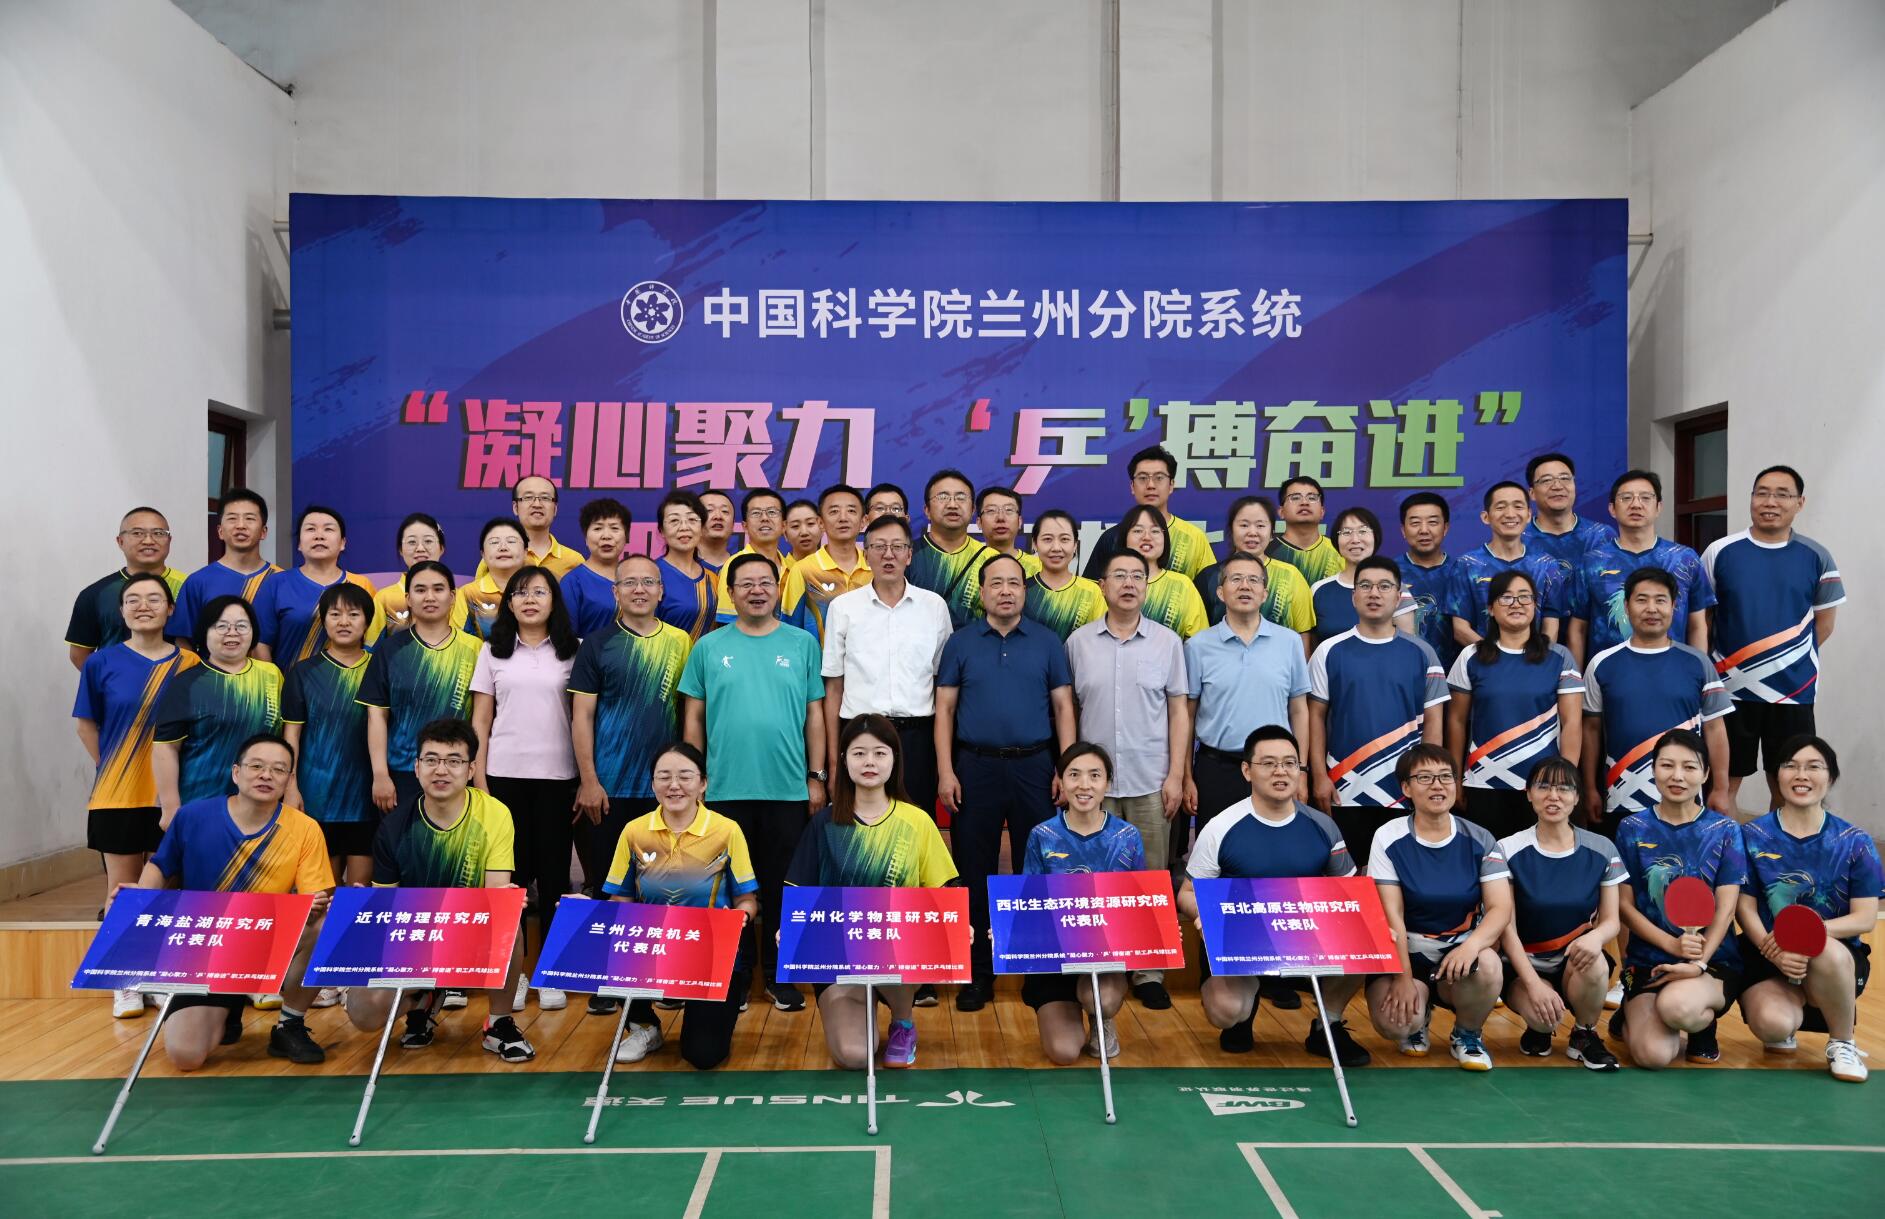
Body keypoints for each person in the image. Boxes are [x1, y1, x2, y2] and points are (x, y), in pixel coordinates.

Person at [119, 733, 335, 1067]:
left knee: (325, 923)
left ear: (289, 779)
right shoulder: (193, 817)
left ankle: (289, 1024)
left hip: (267, 943)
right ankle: (227, 1006)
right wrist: (139, 899)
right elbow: (160, 867)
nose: (266, 775)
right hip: (206, 949)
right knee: (185, 1055)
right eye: (256, 766)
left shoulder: (305, 829)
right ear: (236, 772)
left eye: (278, 769)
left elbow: (314, 896)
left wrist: (312, 907)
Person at [680, 552, 826, 1013]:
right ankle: (736, 977)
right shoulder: (708, 647)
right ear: (731, 592)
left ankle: (781, 977)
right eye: (745, 583)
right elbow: (694, 717)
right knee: (729, 889)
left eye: (765, 582)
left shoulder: (802, 643)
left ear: (778, 589)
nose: (756, 590)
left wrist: (816, 775)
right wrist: (694, 779)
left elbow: (815, 715)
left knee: (784, 887)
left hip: (788, 789)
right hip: (724, 791)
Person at [342, 717, 535, 1062]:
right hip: (414, 936)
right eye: (431, 760)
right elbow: (387, 908)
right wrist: (366, 907)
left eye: (454, 761)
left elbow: (495, 893)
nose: (441, 770)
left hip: (471, 928)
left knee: (509, 918)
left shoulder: (495, 814)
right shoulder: (393, 827)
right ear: (416, 767)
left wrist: (501, 901)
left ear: (471, 769)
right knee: (364, 1012)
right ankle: (422, 1000)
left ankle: (498, 1023)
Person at [935, 552, 1075, 1011]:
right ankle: (979, 973)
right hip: (975, 767)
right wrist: (946, 770)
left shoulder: (1047, 641)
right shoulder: (960, 642)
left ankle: (1038, 972)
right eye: (996, 583)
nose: (1006, 591)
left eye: (1014, 582)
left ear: (1025, 590)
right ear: (981, 592)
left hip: (1036, 767)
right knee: (974, 871)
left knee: (1037, 870)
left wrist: (1066, 767)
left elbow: (1063, 708)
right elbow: (945, 711)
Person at [1180, 726, 1370, 1063]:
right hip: (1240, 945)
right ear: (1247, 770)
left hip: (1302, 940)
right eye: (1268, 763)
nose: (1280, 771)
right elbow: (1186, 893)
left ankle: (1327, 1025)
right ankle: (1245, 1008)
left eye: (1289, 763)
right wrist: (1205, 917)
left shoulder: (1323, 826)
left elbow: (1352, 894)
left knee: (1365, 939)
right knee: (1226, 1010)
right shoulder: (1221, 827)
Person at [786, 716, 958, 1069]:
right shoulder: (824, 825)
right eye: (859, 753)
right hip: (838, 960)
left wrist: (959, 926)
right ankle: (860, 1008)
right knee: (854, 1056)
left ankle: (902, 1022)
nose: (869, 762)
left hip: (899, 956)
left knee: (898, 946)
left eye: (880, 753)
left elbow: (944, 891)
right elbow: (798, 893)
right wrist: (788, 929)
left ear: (894, 759)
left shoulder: (917, 821)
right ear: (844, 760)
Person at [74, 572, 202, 1015]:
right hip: (118, 795)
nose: (143, 606)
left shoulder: (190, 664)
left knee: (167, 889)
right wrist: (111, 765)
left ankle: (160, 974)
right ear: (122, 611)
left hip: (176, 796)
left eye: (154, 599)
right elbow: (86, 724)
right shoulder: (101, 663)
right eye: (133, 600)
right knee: (122, 891)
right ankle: (124, 979)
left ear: (170, 609)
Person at [1066, 549, 1189, 1009]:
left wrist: (1176, 774)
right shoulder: (1078, 642)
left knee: (1150, 877)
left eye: (1138, 575)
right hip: (1089, 787)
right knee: (1091, 876)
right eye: (1119, 575)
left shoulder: (1167, 642)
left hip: (1150, 779)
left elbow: (1179, 711)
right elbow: (1068, 709)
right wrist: (1069, 771)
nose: (1129, 583)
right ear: (1101, 585)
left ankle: (1148, 970)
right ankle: (1097, 958)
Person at [570, 554, 693, 1012]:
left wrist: (689, 781)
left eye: (648, 582)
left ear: (661, 591)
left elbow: (689, 713)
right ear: (615, 592)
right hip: (609, 788)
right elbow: (581, 716)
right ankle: (609, 982)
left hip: (666, 792)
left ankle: (666, 977)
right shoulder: (597, 644)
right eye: (630, 583)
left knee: (667, 887)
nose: (639, 590)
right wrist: (589, 779)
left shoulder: (680, 642)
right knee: (611, 886)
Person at [602, 741, 760, 1068]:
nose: (674, 785)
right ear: (653, 784)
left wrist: (740, 918)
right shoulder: (634, 832)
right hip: (654, 948)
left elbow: (747, 899)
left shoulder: (726, 831)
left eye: (685, 776)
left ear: (703, 784)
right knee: (609, 939)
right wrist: (583, 914)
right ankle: (644, 1025)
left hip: (711, 952)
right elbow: (621, 899)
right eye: (664, 777)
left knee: (703, 1055)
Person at [1735, 736, 1878, 1083]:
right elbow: (1744, 907)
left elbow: (1865, 918)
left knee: (1826, 950)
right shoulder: (1750, 835)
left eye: (1814, 767)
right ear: (1777, 776)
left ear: (1830, 777)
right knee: (1772, 1025)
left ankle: (1842, 1042)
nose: (1802, 775)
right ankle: (1787, 1017)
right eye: (1791, 766)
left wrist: (1805, 935)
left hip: (1833, 957)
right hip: (1768, 952)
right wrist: (1773, 948)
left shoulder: (1855, 841)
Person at [1702, 465, 1845, 811]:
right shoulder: (1720, 551)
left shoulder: (1817, 556)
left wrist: (1784, 662)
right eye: (1762, 493)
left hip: (1793, 692)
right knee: (1722, 787)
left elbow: (1825, 623)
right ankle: (1725, 847)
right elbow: (1703, 620)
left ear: (1799, 503)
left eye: (1782, 494)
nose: (1770, 502)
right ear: (1751, 498)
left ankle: (1777, 848)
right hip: (1730, 690)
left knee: (1788, 786)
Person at [470, 565, 581, 1011]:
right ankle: (512, 973)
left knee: (554, 880)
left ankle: (549, 971)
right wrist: (479, 780)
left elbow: (583, 718)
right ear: (508, 603)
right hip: (503, 777)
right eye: (520, 593)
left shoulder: (574, 650)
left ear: (554, 601)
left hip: (558, 777)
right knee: (511, 882)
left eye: (539, 592)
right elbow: (481, 719)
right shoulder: (491, 651)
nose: (529, 600)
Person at [1364, 746, 1513, 1070]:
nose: (1438, 785)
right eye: (1425, 778)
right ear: (1406, 788)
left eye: (1446, 777)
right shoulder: (1388, 837)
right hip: (1407, 951)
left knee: (1489, 965)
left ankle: (1467, 1033)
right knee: (1395, 1024)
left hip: (1457, 954)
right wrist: (1403, 978)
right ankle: (1418, 1020)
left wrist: (1472, 946)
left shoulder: (1480, 838)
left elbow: (1501, 907)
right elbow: (1392, 915)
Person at [1611, 730, 1745, 1069]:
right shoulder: (1632, 828)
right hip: (1649, 959)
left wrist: (1698, 961)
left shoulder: (1726, 831)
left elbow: (1726, 908)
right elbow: (1625, 906)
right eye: (1667, 765)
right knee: (1652, 1056)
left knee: (1678, 1008)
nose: (1677, 776)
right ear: (1653, 770)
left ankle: (1701, 1025)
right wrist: (1671, 945)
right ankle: (1633, 1011)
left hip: (1711, 961)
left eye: (1689, 767)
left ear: (1705, 773)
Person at [1308, 556, 1449, 866]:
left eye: (1384, 586)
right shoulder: (1328, 651)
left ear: (1398, 598)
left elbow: (1434, 726)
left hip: (1404, 790)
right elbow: (1315, 717)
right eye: (1366, 586)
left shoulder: (1423, 653)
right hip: (1344, 788)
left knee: (1401, 879)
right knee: (1349, 882)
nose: (1374, 593)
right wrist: (1318, 775)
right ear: (1353, 596)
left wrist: (1426, 780)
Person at [1581, 568, 1733, 838]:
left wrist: (1720, 788)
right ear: (1626, 606)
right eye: (1641, 600)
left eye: (1660, 600)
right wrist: (1590, 788)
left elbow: (1715, 728)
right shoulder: (1601, 664)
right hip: (1621, 797)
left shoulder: (1698, 662)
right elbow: (1590, 729)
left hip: (1685, 798)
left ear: (1674, 607)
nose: (1651, 608)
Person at [1495, 757, 1623, 1070]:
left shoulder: (1602, 848)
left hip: (1574, 960)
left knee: (1595, 962)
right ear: (1529, 794)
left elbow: (1612, 921)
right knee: (1543, 1020)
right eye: (1543, 787)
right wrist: (1533, 983)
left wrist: (1596, 938)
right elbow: (1506, 928)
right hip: (1523, 964)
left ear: (1577, 797)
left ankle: (1584, 1033)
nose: (1554, 796)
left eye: (1564, 788)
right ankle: (1539, 1028)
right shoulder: (1507, 849)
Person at [1182, 553, 1311, 865]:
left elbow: (1299, 710)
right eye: (1235, 579)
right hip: (1217, 769)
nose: (1245, 586)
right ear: (1220, 591)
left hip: (1275, 770)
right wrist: (1186, 776)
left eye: (1254, 580)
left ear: (1264, 593)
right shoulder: (1198, 646)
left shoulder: (1289, 642)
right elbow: (1186, 715)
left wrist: (1302, 771)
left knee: (1277, 857)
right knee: (1219, 858)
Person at [822, 515, 952, 818]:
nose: (888, 554)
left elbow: (941, 683)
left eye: (897, 546)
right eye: (879, 547)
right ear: (866, 554)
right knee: (858, 828)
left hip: (917, 738)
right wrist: (833, 762)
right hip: (859, 735)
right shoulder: (844, 608)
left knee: (915, 824)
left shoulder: (933, 606)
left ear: (909, 554)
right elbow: (834, 687)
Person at [1021, 743, 1144, 1062]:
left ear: (1108, 783)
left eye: (1094, 776)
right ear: (1061, 781)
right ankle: (1067, 1013)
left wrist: (1159, 930)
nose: (1084, 785)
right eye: (1074, 775)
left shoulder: (1127, 836)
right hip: (1054, 957)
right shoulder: (1042, 834)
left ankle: (1101, 1019)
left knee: (1101, 999)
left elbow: (1139, 903)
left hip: (1105, 955)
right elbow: (1029, 900)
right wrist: (1012, 931)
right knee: (1063, 1052)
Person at [1443, 571, 1584, 840]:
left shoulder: (1559, 657)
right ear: (1490, 608)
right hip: (1483, 784)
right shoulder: (1471, 656)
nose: (1516, 604)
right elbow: (1456, 721)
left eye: (1524, 597)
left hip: (1544, 787)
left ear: (1535, 606)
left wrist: (1565, 781)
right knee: (1489, 861)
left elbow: (1572, 723)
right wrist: (1455, 777)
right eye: (1506, 598)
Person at [360, 561, 484, 815]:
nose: (429, 597)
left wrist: (476, 774)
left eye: (438, 589)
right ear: (408, 598)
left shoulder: (475, 649)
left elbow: (482, 719)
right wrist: (380, 774)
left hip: (457, 770)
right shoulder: (390, 650)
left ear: (452, 596)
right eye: (420, 590)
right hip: (403, 772)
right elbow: (377, 716)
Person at [153, 596, 284, 822]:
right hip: (201, 803)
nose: (232, 633)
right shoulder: (187, 683)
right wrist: (170, 807)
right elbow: (166, 747)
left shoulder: (271, 674)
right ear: (205, 633)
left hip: (262, 805)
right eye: (221, 626)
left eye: (241, 626)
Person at [282, 581, 378, 887]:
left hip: (368, 798)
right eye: (335, 614)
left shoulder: (381, 668)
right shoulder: (303, 672)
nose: (344, 622)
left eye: (353, 614)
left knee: (360, 895)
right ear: (323, 622)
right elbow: (292, 735)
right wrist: (291, 787)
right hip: (318, 797)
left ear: (367, 621)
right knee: (322, 893)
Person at [1567, 470, 1713, 664]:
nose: (1636, 504)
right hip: (1608, 674)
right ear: (1612, 508)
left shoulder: (1685, 559)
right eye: (1626, 498)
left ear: (1658, 507)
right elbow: (1578, 628)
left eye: (1645, 498)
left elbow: (1697, 625)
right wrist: (1575, 678)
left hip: (1673, 671)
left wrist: (1699, 672)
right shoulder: (1591, 563)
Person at [251, 505, 383, 667]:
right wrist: (272, 681)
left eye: (328, 529)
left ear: (342, 543)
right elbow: (261, 644)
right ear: (299, 544)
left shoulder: (362, 585)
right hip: (288, 682)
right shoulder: (276, 584)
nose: (319, 536)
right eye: (310, 529)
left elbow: (372, 643)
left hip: (351, 681)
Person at [1446, 482, 1565, 649]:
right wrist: (1498, 657)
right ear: (1485, 517)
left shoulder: (1546, 565)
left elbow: (1551, 623)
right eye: (1501, 507)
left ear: (1528, 515)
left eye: (1518, 506)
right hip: (1485, 659)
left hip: (1534, 660)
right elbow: (1460, 629)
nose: (1510, 514)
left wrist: (1540, 657)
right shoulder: (1467, 565)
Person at [67, 507, 186, 670]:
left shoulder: (190, 587)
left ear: (169, 540)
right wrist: (109, 682)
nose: (148, 540)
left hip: (178, 683)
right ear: (120, 541)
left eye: (158, 533)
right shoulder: (96, 594)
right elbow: (79, 655)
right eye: (137, 533)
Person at [1081, 445, 1217, 581]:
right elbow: (1092, 590)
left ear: (1171, 485)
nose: (1151, 485)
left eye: (1159, 478)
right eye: (1142, 478)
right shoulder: (1112, 538)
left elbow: (1211, 589)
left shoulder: (1194, 538)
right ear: (1132, 486)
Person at [1193, 495, 1314, 641]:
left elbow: (1303, 633)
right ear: (1231, 530)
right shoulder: (1209, 577)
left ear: (1272, 532)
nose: (1252, 532)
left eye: (1260, 526)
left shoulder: (1291, 575)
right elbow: (1200, 637)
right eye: (1244, 525)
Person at [175, 489, 278, 641]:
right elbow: (183, 641)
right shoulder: (198, 582)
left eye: (250, 518)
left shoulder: (282, 579)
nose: (240, 525)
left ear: (263, 532)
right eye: (232, 518)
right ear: (220, 531)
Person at [1521, 453, 1613, 620]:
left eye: (1565, 478)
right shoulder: (1519, 538)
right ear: (1532, 493)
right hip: (1536, 633)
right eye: (1546, 480)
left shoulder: (1601, 535)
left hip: (1592, 632)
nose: (1557, 486)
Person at [1308, 506, 1416, 647]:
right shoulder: (1319, 589)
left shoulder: (1394, 587)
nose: (1355, 539)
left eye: (1363, 531)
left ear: (1375, 537)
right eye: (1346, 532)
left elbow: (1407, 645)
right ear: (1336, 540)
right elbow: (1312, 646)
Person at [778, 484, 871, 641]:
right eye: (834, 511)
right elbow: (790, 630)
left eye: (851, 511)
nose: (843, 518)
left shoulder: (875, 567)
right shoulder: (803, 570)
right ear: (821, 522)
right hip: (820, 657)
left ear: (863, 521)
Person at [906, 469, 992, 628]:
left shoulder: (991, 559)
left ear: (973, 510)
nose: (952, 505)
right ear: (927, 510)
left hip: (973, 643)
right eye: (943, 497)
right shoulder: (907, 555)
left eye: (961, 497)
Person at [1118, 505, 1209, 640]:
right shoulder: (1111, 583)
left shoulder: (1183, 586)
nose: (1147, 537)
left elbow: (1200, 643)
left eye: (1155, 531)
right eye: (1138, 531)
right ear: (1124, 538)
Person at [712, 488, 800, 626]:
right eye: (756, 513)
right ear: (745, 526)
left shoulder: (795, 568)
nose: (764, 518)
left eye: (772, 512)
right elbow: (727, 624)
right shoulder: (734, 566)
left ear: (784, 525)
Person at [374, 512, 468, 632]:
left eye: (428, 541)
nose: (420, 549)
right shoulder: (384, 598)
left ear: (441, 548)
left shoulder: (459, 597)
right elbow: (373, 643)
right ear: (401, 550)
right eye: (412, 542)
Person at [1022, 510, 1106, 641]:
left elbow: (1101, 641)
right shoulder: (1021, 590)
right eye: (1047, 539)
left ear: (1075, 545)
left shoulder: (1092, 591)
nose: (1056, 548)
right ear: (1034, 544)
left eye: (1064, 539)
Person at [477, 474, 581, 579]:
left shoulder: (574, 561)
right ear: (515, 507)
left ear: (555, 509)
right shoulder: (496, 556)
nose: (537, 504)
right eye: (528, 497)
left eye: (545, 498)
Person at [1398, 491, 1459, 670]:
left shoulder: (1462, 571)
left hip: (1455, 675)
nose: (1424, 530)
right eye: (1415, 523)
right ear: (1403, 530)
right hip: (1403, 671)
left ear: (1445, 528)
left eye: (1432, 522)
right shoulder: (1389, 574)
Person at [559, 497, 632, 637]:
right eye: (597, 528)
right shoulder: (573, 582)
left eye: (614, 528)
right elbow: (566, 639)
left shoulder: (637, 579)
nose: (606, 536)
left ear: (626, 536)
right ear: (585, 537)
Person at [653, 491, 718, 640]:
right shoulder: (651, 575)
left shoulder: (713, 578)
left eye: (692, 519)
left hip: (705, 656)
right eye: (674, 521)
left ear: (702, 528)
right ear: (662, 531)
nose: (684, 527)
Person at [1267, 476, 1344, 586]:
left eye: (1312, 498)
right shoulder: (1265, 552)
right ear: (1281, 512)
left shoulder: (1340, 552)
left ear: (1322, 512)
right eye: (1295, 498)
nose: (1304, 502)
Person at [459, 517, 529, 637]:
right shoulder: (467, 594)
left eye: (511, 541)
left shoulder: (539, 591)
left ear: (525, 551)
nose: (503, 547)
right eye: (494, 542)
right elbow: (459, 641)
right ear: (483, 554)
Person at [697, 490, 737, 572]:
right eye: (709, 510)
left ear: (733, 524)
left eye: (725, 511)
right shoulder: (678, 566)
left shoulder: (742, 566)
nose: (718, 516)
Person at [782, 497, 824, 562]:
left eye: (810, 523)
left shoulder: (837, 566)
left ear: (822, 527)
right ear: (785, 533)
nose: (804, 532)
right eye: (795, 526)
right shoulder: (777, 568)